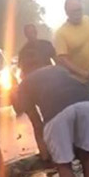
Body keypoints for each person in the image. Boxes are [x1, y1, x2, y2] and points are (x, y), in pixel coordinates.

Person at [55, 0, 89, 105]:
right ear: (67, 12)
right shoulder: (61, 33)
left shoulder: (87, 20)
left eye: (79, 10)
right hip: (84, 82)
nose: (77, 13)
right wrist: (85, 74)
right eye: (74, 11)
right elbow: (63, 60)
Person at [18, 24, 57, 162]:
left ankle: (56, 150)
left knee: (52, 117)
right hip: (31, 91)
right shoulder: (23, 52)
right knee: (37, 124)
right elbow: (22, 73)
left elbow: (57, 61)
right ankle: (46, 155)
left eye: (32, 32)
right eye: (28, 33)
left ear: (36, 32)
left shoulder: (46, 45)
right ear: (26, 35)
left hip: (48, 86)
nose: (31, 35)